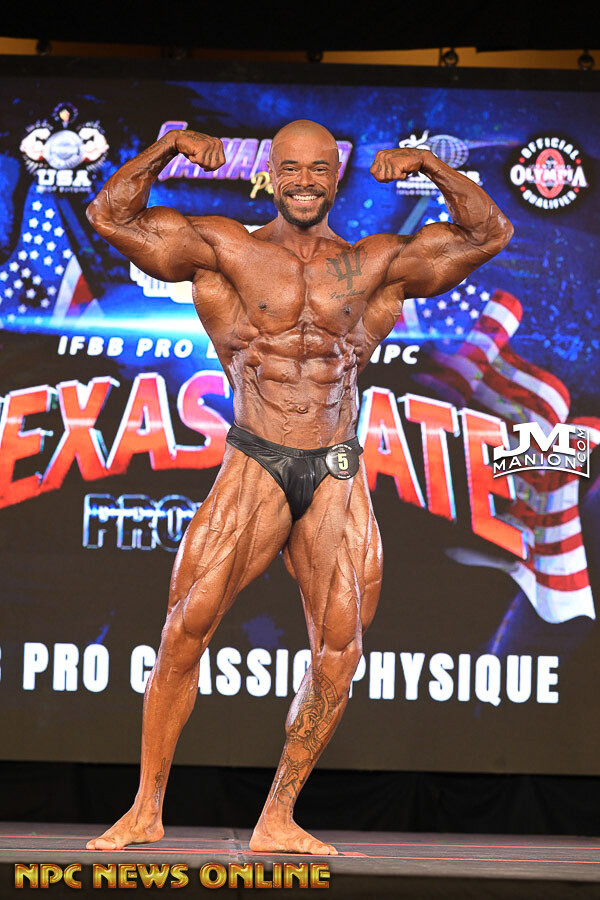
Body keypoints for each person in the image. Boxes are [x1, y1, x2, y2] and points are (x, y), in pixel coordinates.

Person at [85, 119, 513, 855]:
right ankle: (146, 808)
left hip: (337, 467)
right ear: (271, 175)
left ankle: (278, 815)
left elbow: (488, 233)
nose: (305, 182)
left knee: (339, 649)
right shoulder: (227, 249)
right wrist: (168, 149)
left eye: (319, 169)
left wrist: (428, 164)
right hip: (257, 457)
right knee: (185, 629)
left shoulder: (377, 262)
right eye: (292, 169)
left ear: (336, 177)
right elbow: (110, 217)